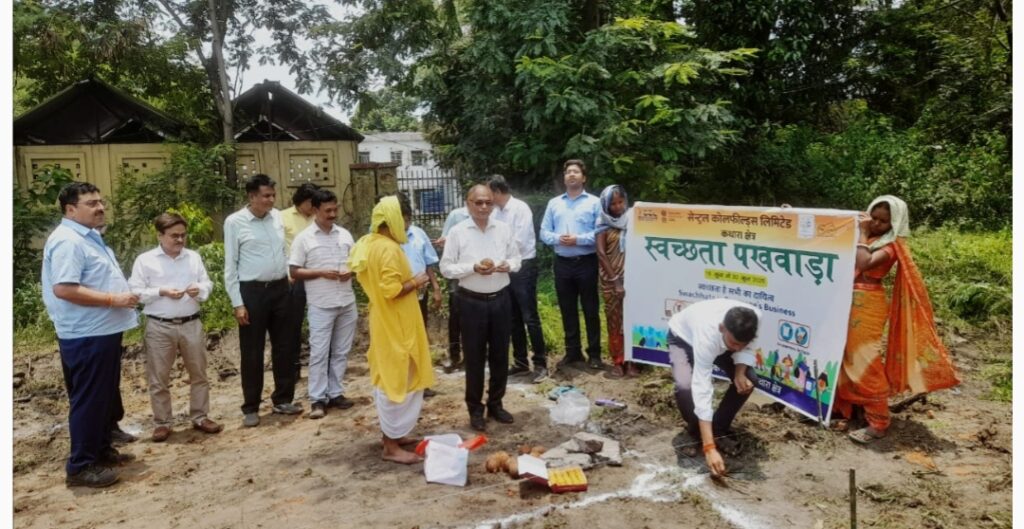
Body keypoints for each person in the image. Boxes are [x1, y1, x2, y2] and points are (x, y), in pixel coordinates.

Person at [835, 195, 960, 444]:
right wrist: (793, 218)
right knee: (843, 356)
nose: (876, 223)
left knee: (864, 360)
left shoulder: (891, 246)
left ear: (895, 224)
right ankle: (851, 409)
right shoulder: (861, 235)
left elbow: (864, 262)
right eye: (874, 217)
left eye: (883, 221)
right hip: (843, 300)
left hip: (868, 303)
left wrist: (862, 232)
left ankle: (879, 422)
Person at [42, 182, 139, 488]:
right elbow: (64, 288)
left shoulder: (88, 236)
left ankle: (100, 451)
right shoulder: (68, 241)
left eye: (100, 201)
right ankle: (81, 466)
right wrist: (113, 299)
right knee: (89, 398)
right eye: (92, 203)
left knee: (103, 396)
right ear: (71, 209)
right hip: (86, 333)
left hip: (102, 329)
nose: (100, 207)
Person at [349, 196, 435, 464]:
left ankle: (396, 436)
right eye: (405, 220)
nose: (407, 226)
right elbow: (391, 290)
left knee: (397, 373)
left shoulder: (369, 242)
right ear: (393, 220)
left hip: (389, 319)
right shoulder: (387, 248)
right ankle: (390, 446)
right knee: (396, 378)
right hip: (395, 321)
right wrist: (417, 281)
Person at [128, 213, 222, 442]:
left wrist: (199, 290)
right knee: (158, 377)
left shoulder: (193, 257)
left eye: (183, 235)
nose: (180, 240)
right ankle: (162, 422)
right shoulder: (145, 260)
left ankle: (200, 416)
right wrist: (161, 291)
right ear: (160, 236)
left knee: (199, 373)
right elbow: (135, 292)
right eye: (174, 236)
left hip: (191, 323)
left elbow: (207, 283)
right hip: (159, 326)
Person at [440, 184, 521, 431]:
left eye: (488, 202)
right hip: (470, 301)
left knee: (500, 355)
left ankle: (496, 403)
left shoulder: (503, 229)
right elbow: (446, 268)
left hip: (500, 299)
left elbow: (517, 258)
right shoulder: (458, 232)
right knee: (474, 357)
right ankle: (475, 409)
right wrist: (472, 268)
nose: (484, 207)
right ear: (468, 204)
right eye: (479, 202)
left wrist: (508, 265)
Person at [224, 174, 302, 427]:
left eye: (273, 195)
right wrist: (238, 303)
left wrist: (288, 274)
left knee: (285, 346)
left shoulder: (277, 217)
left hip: (281, 289)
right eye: (265, 196)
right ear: (252, 196)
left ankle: (283, 399)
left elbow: (283, 250)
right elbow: (230, 266)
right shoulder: (235, 222)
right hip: (252, 292)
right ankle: (251, 407)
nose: (270, 200)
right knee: (252, 352)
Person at [667, 299, 760, 477]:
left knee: (749, 379)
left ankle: (718, 430)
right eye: (734, 343)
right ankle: (695, 431)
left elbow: (746, 348)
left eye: (742, 344)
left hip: (720, 341)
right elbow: (702, 387)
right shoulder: (707, 334)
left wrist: (739, 372)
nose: (738, 348)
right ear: (722, 328)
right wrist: (709, 448)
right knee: (685, 388)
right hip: (682, 339)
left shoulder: (754, 319)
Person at [289, 189, 358, 419]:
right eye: (327, 210)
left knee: (341, 351)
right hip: (321, 304)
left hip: (346, 301)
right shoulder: (304, 238)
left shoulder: (345, 235)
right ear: (315, 210)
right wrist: (320, 273)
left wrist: (351, 272)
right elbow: (294, 271)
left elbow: (357, 263)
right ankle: (317, 398)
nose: (332, 214)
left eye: (335, 209)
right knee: (319, 353)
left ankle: (336, 393)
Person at [539, 159, 603, 370]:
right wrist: (558, 238)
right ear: (564, 178)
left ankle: (595, 354)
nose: (572, 175)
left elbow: (600, 233)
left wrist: (579, 239)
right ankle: (572, 352)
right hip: (562, 263)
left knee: (591, 309)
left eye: (576, 172)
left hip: (587, 262)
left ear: (584, 178)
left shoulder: (594, 203)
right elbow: (544, 232)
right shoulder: (554, 203)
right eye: (568, 172)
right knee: (567, 309)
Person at [489, 175, 548, 383]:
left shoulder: (520, 208)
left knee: (529, 316)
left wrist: (501, 257)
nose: (487, 199)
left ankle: (540, 363)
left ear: (497, 191)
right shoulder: (495, 212)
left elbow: (520, 241)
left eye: (489, 194)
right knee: (512, 317)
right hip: (504, 268)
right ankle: (521, 362)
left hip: (523, 266)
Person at [595, 184, 637, 378]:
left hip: (633, 279)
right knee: (614, 321)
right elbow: (601, 253)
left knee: (632, 319)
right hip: (611, 281)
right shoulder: (602, 223)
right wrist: (616, 281)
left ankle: (633, 361)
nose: (618, 206)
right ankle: (618, 361)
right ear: (606, 205)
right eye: (613, 204)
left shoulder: (633, 221)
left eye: (621, 202)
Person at [281, 183, 320, 379]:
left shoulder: (319, 217)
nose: (313, 207)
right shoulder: (282, 217)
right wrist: (286, 272)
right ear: (301, 201)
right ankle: (293, 368)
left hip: (318, 275)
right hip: (294, 277)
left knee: (320, 321)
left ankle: (320, 367)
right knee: (293, 324)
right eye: (310, 203)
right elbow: (279, 248)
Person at [435, 205, 470, 373]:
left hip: (478, 275)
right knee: (455, 315)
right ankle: (454, 356)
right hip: (457, 273)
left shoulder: (489, 217)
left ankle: (474, 356)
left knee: (476, 316)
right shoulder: (456, 215)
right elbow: (444, 241)